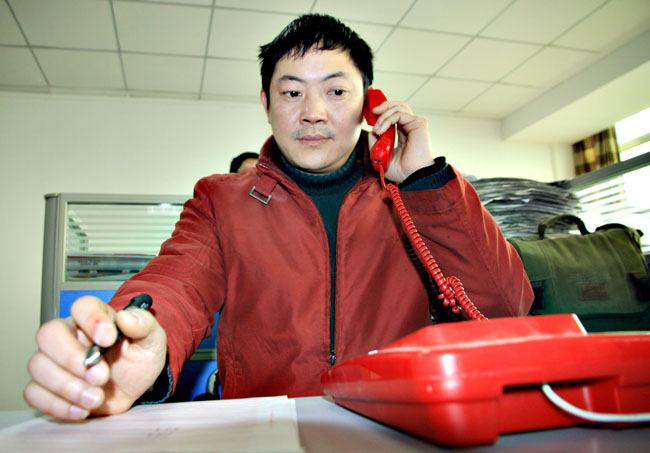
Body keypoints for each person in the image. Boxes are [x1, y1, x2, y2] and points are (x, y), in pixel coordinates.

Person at [24, 14, 533, 421]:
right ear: (266, 104)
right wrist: (137, 337)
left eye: (336, 91)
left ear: (369, 106)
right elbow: (178, 281)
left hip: (395, 428)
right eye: (292, 92)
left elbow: (506, 310)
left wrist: (423, 182)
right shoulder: (220, 199)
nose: (313, 111)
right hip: (264, 431)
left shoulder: (412, 196)